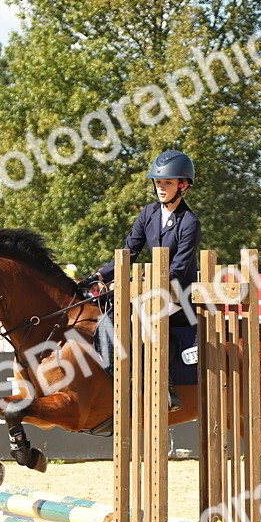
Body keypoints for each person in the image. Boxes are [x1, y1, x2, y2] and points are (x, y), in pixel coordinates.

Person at [84, 149, 201, 409]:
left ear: (183, 186)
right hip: (150, 286)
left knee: (144, 312)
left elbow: (179, 269)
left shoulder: (189, 222)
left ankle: (167, 384)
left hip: (178, 292)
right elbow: (129, 252)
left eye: (168, 183)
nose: (161, 188)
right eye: (159, 182)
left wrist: (144, 284)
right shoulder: (148, 213)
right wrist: (99, 275)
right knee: (110, 308)